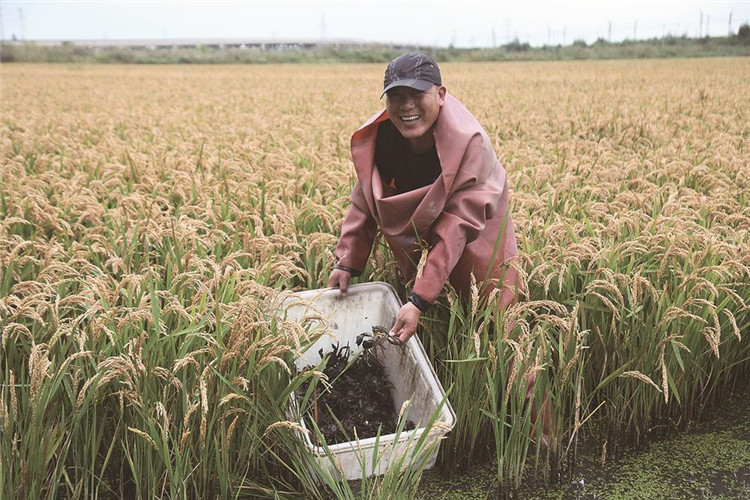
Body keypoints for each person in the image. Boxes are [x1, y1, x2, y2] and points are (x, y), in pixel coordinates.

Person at [327, 52, 519, 343]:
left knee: (492, 317)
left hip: (478, 232)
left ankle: (520, 385)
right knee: (434, 317)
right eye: (396, 96)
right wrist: (346, 261)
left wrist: (419, 299)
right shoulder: (387, 137)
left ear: (441, 95)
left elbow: (459, 224)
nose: (406, 106)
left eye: (417, 94)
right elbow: (365, 199)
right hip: (427, 222)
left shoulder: (470, 143)